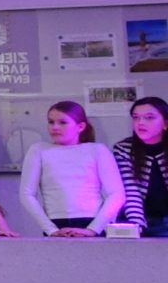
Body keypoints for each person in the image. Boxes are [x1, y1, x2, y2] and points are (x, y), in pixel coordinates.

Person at [17, 100, 126, 236]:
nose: (55, 127)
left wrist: (92, 230)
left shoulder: (97, 150)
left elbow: (117, 194)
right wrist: (51, 230)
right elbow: (27, 194)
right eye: (51, 122)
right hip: (56, 224)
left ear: (80, 127)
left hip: (92, 222)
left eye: (62, 122)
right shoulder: (38, 150)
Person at [114, 97, 168, 237]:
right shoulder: (124, 149)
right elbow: (130, 191)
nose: (140, 123)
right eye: (136, 117)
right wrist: (136, 226)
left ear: (165, 123)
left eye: (149, 117)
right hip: (140, 220)